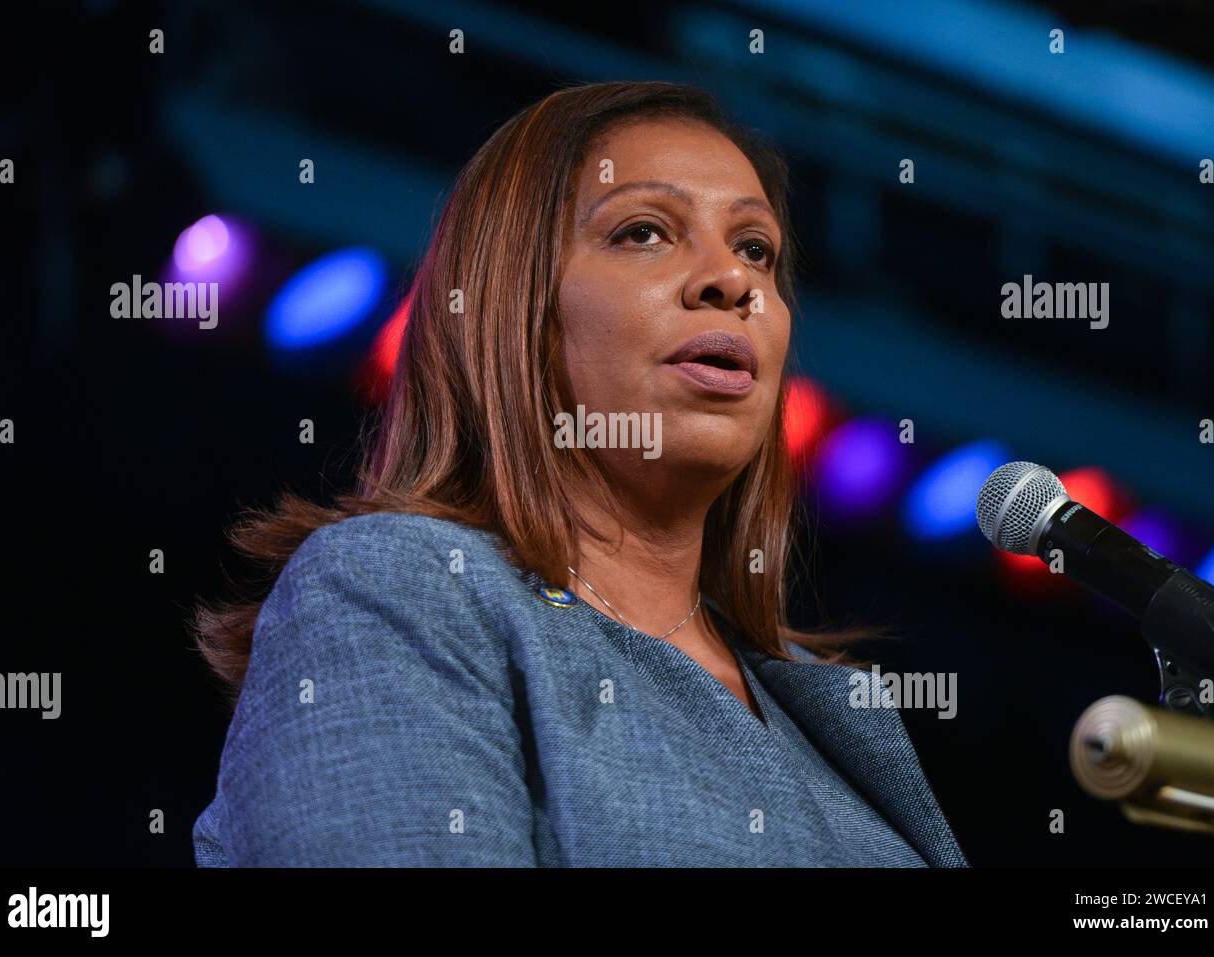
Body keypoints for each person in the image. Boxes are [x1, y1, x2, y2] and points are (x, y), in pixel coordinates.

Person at [190, 80, 969, 867]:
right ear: (514, 307)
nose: (732, 281)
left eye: (755, 248)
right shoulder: (403, 588)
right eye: (644, 231)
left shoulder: (827, 707)